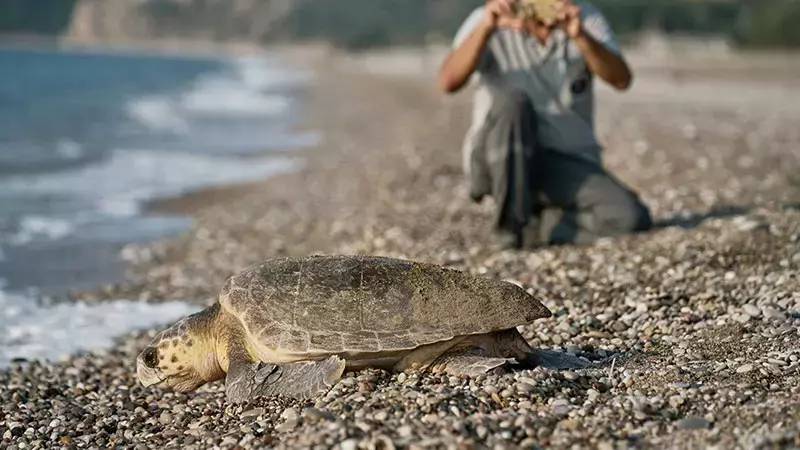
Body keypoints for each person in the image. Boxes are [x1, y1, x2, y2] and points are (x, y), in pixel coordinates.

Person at [439, 0, 652, 248]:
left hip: (562, 160)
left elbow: (621, 79)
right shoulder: (485, 19)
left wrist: (581, 37)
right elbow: (448, 81)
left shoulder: (586, 17)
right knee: (513, 101)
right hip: (500, 155)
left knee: (629, 217)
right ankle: (509, 230)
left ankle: (540, 227)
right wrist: (487, 27)